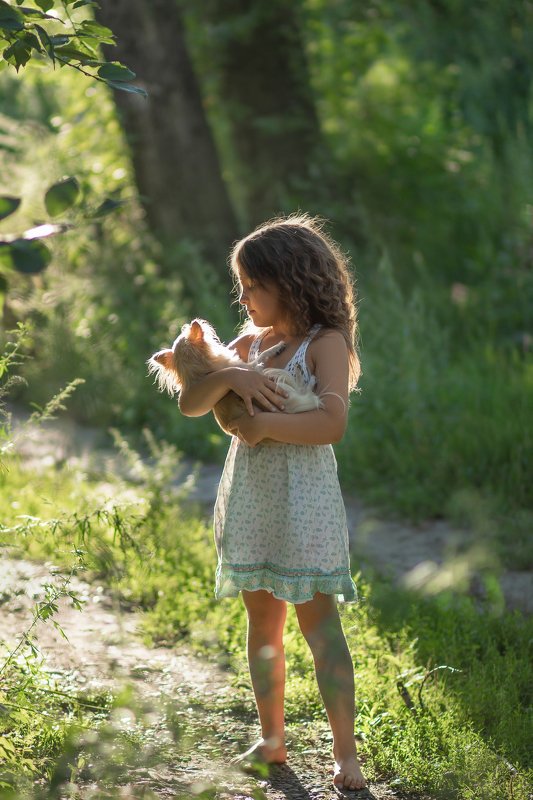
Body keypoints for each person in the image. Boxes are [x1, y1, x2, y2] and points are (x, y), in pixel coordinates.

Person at [178, 214, 366, 792]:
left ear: (290, 281)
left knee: (320, 626)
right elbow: (191, 402)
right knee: (263, 621)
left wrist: (262, 426)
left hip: (303, 502)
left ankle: (345, 754)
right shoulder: (250, 344)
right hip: (254, 500)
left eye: (252, 285)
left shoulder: (324, 344)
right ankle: (272, 737)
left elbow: (331, 424)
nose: (244, 297)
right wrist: (232, 373)